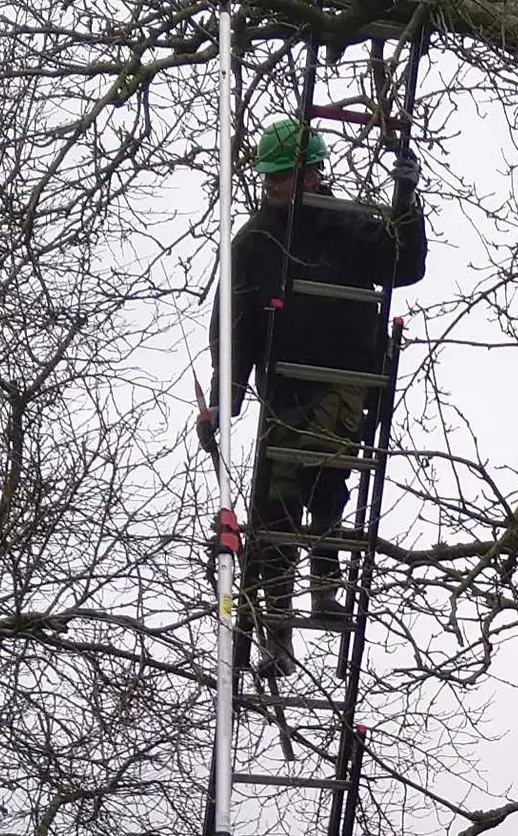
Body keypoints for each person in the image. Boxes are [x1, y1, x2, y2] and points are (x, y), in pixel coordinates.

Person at [197, 117, 427, 676]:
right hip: (286, 387)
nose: (279, 188)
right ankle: (280, 628)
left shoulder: (349, 225)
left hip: (349, 375)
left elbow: (405, 264)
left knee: (325, 471)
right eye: (273, 179)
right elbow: (235, 325)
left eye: (290, 176)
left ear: (313, 173)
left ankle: (325, 582)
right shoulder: (255, 242)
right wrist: (223, 405)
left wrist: (407, 202)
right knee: (276, 508)